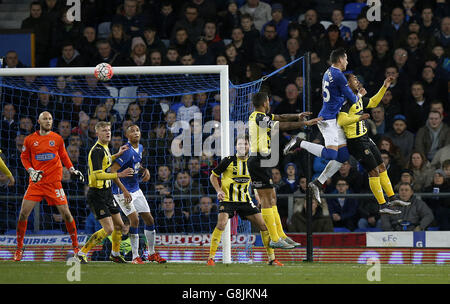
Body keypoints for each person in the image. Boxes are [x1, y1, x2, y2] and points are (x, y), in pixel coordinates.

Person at [284, 48, 365, 205]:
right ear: (340, 60)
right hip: (328, 119)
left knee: (342, 156)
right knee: (332, 155)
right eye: (346, 59)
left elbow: (337, 95)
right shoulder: (339, 76)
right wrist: (360, 94)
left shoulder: (328, 72)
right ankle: (299, 142)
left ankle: (317, 183)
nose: (347, 62)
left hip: (333, 118)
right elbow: (354, 99)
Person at [248, 91, 321, 249]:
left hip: (263, 160)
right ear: (265, 102)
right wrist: (304, 124)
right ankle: (274, 238)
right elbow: (281, 126)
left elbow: (280, 117)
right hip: (258, 160)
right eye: (268, 101)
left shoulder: (260, 117)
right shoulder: (259, 118)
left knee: (272, 197)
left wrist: (297, 116)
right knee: (267, 199)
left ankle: (280, 235)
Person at [14, 111, 84, 261]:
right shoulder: (29, 140)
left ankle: (76, 247)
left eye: (50, 119)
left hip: (54, 183)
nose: (48, 121)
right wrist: (31, 170)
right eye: (45, 119)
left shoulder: (57, 139)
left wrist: (72, 169)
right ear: (39, 121)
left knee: (67, 214)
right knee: (23, 214)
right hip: (37, 182)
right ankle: (19, 249)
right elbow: (24, 157)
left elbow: (64, 155)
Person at [208, 135, 287, 266]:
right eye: (239, 144)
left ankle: (272, 259)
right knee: (221, 224)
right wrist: (219, 191)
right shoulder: (227, 161)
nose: (242, 146)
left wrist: (257, 194)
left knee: (263, 226)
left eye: (245, 144)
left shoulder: (252, 162)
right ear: (235, 146)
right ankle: (211, 258)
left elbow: (254, 181)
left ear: (249, 146)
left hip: (245, 201)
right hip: (228, 199)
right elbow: (213, 176)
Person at [337, 73, 410, 214]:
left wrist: (384, 86)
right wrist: (359, 118)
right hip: (355, 141)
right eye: (354, 79)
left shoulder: (356, 98)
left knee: (382, 166)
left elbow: (373, 103)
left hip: (365, 137)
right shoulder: (346, 101)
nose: (357, 81)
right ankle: (382, 205)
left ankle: (392, 197)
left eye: (357, 79)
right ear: (347, 84)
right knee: (373, 171)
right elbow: (341, 120)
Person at [75, 121, 134, 264]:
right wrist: (118, 175)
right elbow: (97, 175)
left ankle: (115, 253)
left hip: (107, 192)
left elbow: (106, 161)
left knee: (119, 225)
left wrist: (117, 155)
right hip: (97, 194)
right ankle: (82, 253)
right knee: (108, 229)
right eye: (104, 130)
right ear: (97, 133)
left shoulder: (105, 148)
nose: (107, 133)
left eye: (109, 130)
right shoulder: (96, 151)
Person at [110, 124, 167, 264]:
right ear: (127, 135)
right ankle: (135, 256)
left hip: (136, 189)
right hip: (122, 191)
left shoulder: (140, 147)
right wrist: (124, 190)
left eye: (137, 130)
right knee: (134, 220)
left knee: (149, 220)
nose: (136, 133)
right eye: (132, 131)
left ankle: (152, 253)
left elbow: (136, 165)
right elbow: (112, 171)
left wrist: (144, 170)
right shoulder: (126, 151)